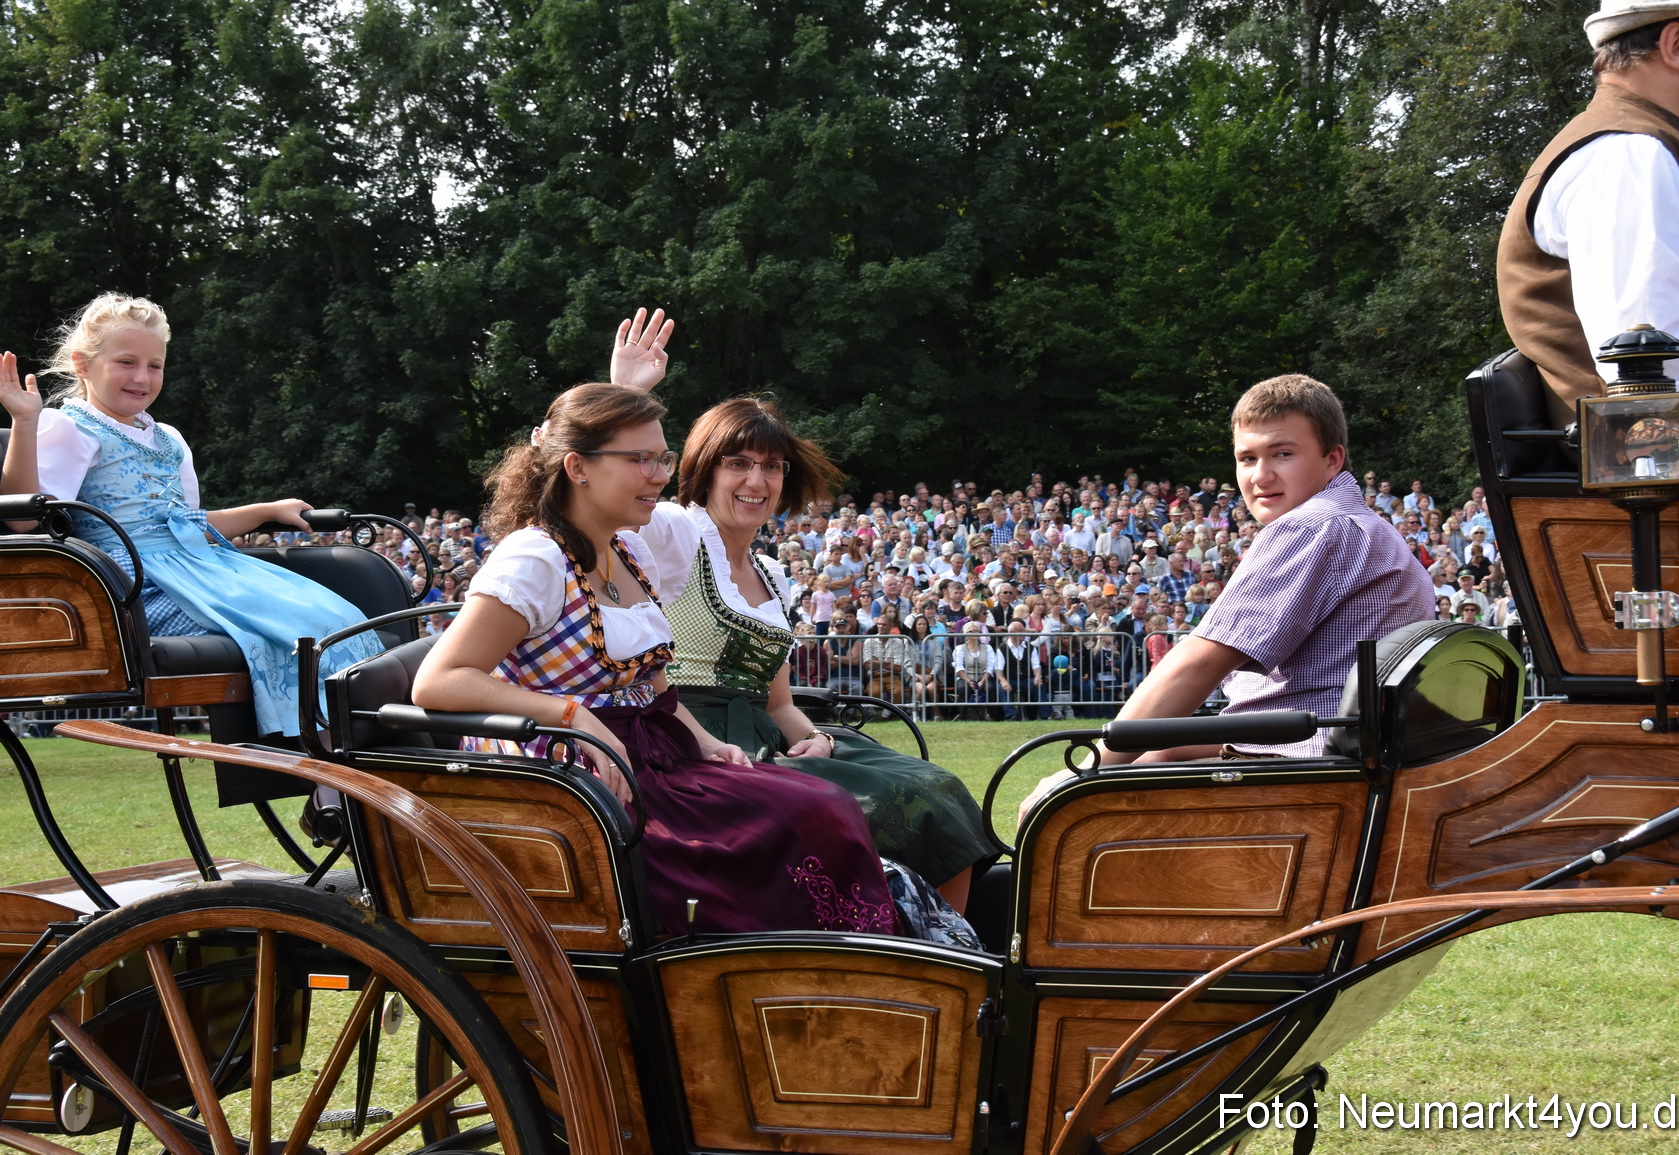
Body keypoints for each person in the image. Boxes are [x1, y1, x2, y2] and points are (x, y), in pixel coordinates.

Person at [411, 382, 900, 936]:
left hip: (651, 754)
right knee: (798, 818)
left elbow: (654, 685)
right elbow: (439, 680)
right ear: (578, 468)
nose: (660, 475)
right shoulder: (534, 558)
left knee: (822, 802)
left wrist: (706, 742)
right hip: (570, 778)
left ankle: (835, 960)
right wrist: (572, 714)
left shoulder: (627, 548)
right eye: (640, 459)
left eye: (662, 458)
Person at [619, 384, 996, 913]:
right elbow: (612, 507)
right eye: (738, 463)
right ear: (705, 470)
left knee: (939, 788)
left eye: (772, 467)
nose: (757, 481)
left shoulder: (772, 574)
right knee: (881, 802)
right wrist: (629, 392)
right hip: (690, 737)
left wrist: (816, 738)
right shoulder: (677, 533)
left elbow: (779, 703)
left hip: (767, 733)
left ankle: (945, 941)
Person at [1020, 374, 1434, 823]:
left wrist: (1087, 769)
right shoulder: (1372, 530)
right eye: (1247, 458)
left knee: (1066, 815)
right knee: (1160, 753)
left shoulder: (1313, 526)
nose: (1261, 476)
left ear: (1332, 459)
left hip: (1306, 773)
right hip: (1345, 756)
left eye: (1283, 454)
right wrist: (1165, 748)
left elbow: (1200, 662)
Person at [0, 294, 382, 760]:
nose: (142, 378)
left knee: (339, 618)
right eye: (126, 362)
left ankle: (349, 760)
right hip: (133, 582)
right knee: (299, 629)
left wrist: (266, 509)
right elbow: (23, 516)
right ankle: (323, 768)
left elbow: (188, 527)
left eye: (154, 365)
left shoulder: (169, 438)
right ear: (83, 363)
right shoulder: (66, 428)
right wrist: (25, 422)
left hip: (199, 566)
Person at [1498, 1, 1679, 428]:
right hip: (1656, 454)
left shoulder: (1657, 147)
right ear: (1677, 45)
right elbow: (1657, 354)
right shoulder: (1631, 154)